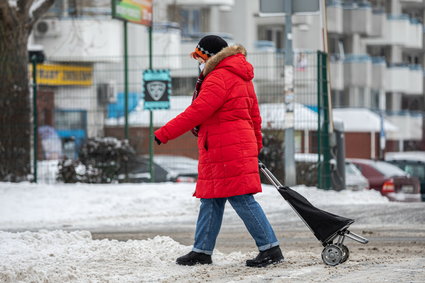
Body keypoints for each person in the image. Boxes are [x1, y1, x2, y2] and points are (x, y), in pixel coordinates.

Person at [154, 35, 283, 267]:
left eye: (200, 57)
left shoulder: (218, 78)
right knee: (211, 199)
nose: (198, 63)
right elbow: (254, 116)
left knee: (241, 198)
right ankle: (202, 250)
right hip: (227, 147)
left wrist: (164, 133)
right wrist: (255, 146)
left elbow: (197, 112)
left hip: (227, 148)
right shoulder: (239, 76)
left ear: (210, 57)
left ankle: (270, 249)